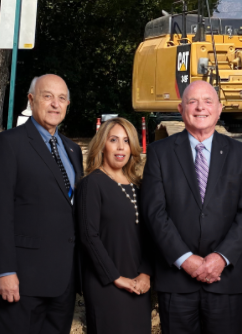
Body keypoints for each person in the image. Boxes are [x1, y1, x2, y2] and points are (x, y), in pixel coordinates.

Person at [141, 80, 242, 334]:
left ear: (219, 109)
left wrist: (221, 257)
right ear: (181, 109)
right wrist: (185, 260)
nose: (200, 108)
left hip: (224, 279)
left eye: (208, 101)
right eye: (192, 101)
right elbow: (154, 213)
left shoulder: (241, 154)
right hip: (176, 281)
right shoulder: (159, 152)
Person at [0, 74, 83, 334]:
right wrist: (4, 271)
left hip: (62, 283)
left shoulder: (72, 150)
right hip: (20, 280)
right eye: (48, 97)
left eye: (61, 99)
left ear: (68, 104)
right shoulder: (8, 144)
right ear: (31, 100)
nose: (55, 104)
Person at [76, 117, 152, 333]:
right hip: (107, 284)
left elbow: (149, 235)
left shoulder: (139, 186)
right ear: (102, 145)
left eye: (126, 141)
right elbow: (88, 236)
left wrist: (145, 274)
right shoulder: (92, 184)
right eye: (113, 140)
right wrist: (117, 278)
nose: (121, 147)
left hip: (139, 284)